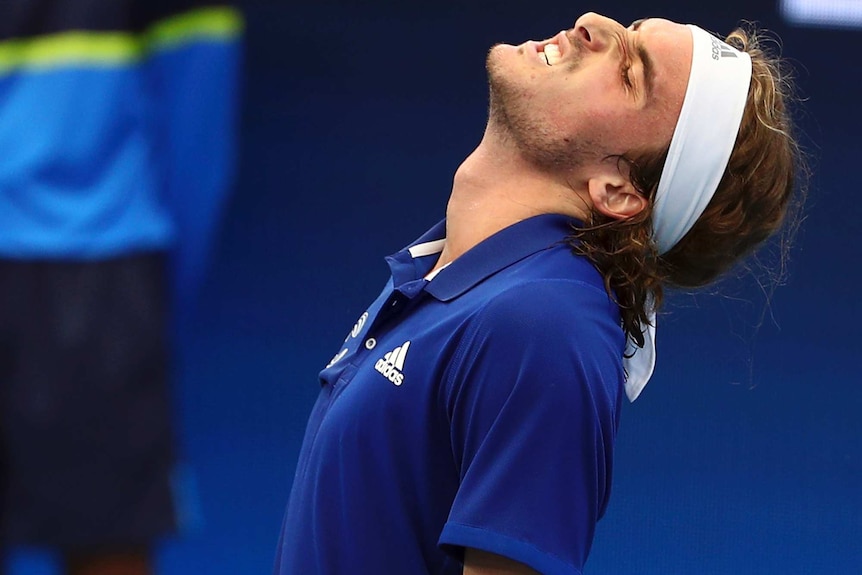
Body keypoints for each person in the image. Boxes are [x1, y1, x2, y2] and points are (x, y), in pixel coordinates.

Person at [274, 11, 802, 575]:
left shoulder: (545, 327)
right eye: (629, 27)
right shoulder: (465, 283)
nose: (591, 23)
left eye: (630, 73)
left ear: (618, 190)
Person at [0, 2, 242, 574]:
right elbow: (195, 146)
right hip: (99, 276)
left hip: (96, 274)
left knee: (109, 543)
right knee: (109, 545)